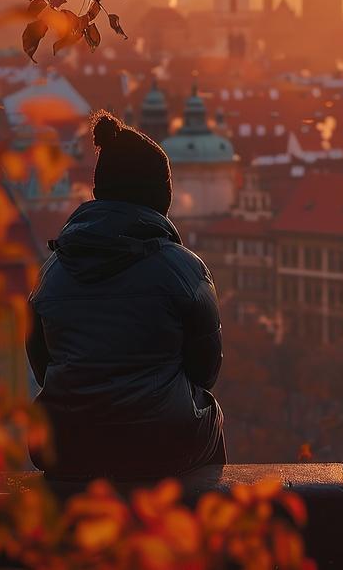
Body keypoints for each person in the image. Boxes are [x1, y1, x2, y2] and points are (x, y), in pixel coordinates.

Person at [27, 111, 225, 479]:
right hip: (160, 445)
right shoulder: (184, 270)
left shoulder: (51, 273)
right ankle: (201, 524)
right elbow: (205, 371)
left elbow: (42, 368)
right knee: (209, 412)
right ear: (159, 196)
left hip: (62, 445)